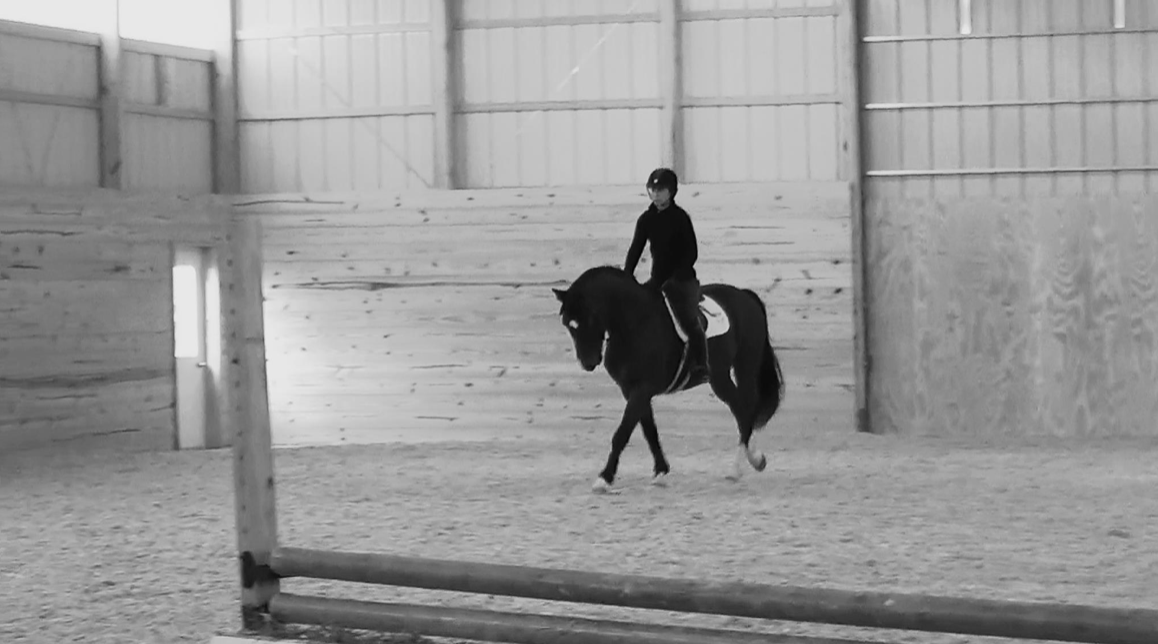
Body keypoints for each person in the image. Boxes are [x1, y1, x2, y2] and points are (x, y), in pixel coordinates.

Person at [623, 167, 710, 384]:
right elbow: (636, 249)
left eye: (660, 190)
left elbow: (691, 252)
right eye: (652, 189)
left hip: (682, 280)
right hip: (658, 280)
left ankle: (701, 364)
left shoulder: (681, 218)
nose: (656, 194)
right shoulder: (645, 220)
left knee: (690, 323)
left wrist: (677, 276)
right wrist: (626, 276)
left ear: (671, 192)